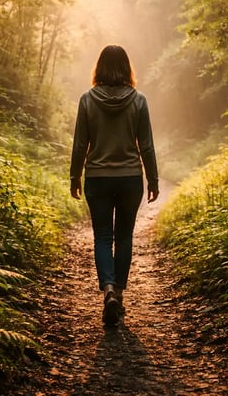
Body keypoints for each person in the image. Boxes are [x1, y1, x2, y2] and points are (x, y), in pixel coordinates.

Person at [69, 45, 159, 327]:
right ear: (127, 67)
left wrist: (75, 176)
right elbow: (145, 145)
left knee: (103, 237)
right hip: (130, 178)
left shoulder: (87, 100)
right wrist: (153, 178)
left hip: (97, 177)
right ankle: (118, 296)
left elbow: (81, 144)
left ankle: (107, 290)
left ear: (99, 67)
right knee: (123, 237)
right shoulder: (139, 100)